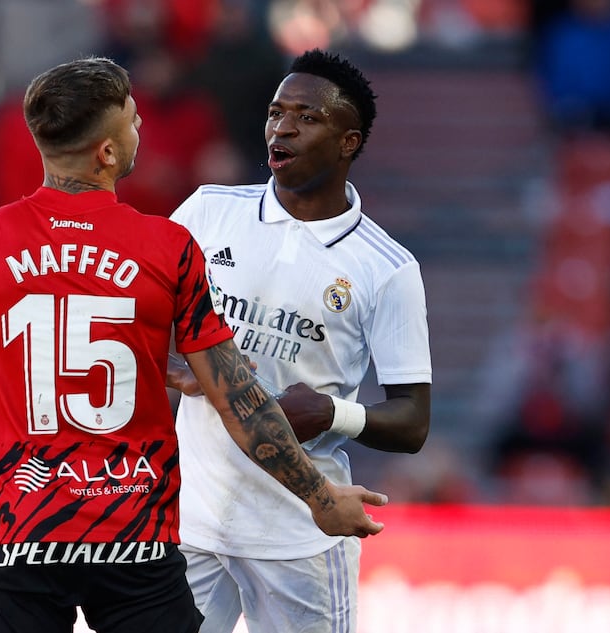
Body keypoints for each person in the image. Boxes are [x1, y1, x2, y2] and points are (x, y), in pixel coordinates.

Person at [0, 56, 389, 633]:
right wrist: (320, 498)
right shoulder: (167, 247)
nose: (140, 130)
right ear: (106, 153)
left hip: (22, 540)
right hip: (136, 548)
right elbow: (241, 401)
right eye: (132, 122)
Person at [167, 48, 432, 633]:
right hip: (192, 525)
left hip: (304, 535)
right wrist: (175, 366)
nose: (281, 126)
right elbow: (138, 318)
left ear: (348, 142)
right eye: (275, 111)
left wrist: (333, 412)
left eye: (306, 116)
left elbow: (413, 422)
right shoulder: (208, 212)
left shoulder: (385, 267)